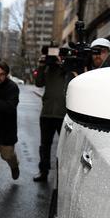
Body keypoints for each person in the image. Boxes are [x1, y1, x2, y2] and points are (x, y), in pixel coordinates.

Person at [33, 54, 68, 182]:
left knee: (65, 146)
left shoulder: (65, 68)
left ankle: (64, 176)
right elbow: (38, 83)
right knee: (44, 146)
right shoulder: (47, 68)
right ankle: (43, 172)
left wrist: (61, 63)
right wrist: (41, 65)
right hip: (47, 114)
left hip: (62, 115)